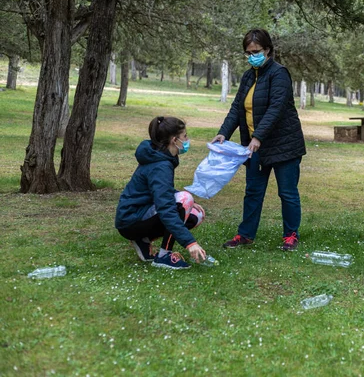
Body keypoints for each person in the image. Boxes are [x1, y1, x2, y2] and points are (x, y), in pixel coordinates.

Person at [211, 28, 306, 251]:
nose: (252, 55)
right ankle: (245, 235)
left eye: (256, 51)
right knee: (253, 191)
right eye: (248, 52)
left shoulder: (279, 73)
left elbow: (276, 108)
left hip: (284, 145)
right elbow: (237, 108)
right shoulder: (248, 76)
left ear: (268, 50)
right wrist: (224, 132)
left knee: (287, 192)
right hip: (255, 147)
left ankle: (291, 235)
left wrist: (258, 137)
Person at [115, 116, 207, 269]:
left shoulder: (159, 156)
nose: (187, 140)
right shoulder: (161, 165)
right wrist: (190, 243)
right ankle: (164, 256)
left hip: (134, 218)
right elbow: (166, 208)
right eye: (184, 136)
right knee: (185, 200)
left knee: (195, 214)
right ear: (174, 140)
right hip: (130, 220)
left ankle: (142, 240)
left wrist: (187, 204)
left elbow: (160, 190)